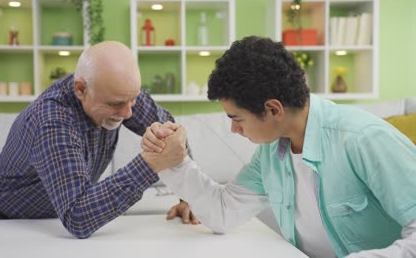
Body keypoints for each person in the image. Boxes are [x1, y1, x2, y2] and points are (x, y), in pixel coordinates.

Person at [143, 36, 416, 257]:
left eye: (237, 119)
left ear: (273, 109)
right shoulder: (272, 152)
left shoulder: (363, 138)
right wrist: (175, 161)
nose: (234, 129)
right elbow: (223, 212)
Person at [0, 41, 199, 239]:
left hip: (55, 226)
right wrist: (151, 163)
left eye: (133, 99)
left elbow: (173, 133)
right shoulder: (53, 120)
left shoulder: (119, 94)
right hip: (3, 223)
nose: (128, 113)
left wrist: (188, 197)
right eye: (115, 104)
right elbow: (78, 216)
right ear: (81, 89)